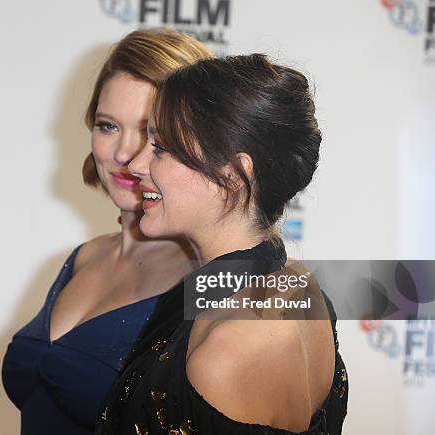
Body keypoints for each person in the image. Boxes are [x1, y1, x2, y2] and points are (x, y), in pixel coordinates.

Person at [97, 54, 348, 434]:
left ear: (233, 175)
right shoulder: (296, 287)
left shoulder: (230, 346)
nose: (136, 165)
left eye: (161, 148)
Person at [1, 29, 212, 435]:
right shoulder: (83, 258)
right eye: (108, 126)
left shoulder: (210, 280)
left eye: (152, 133)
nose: (124, 155)